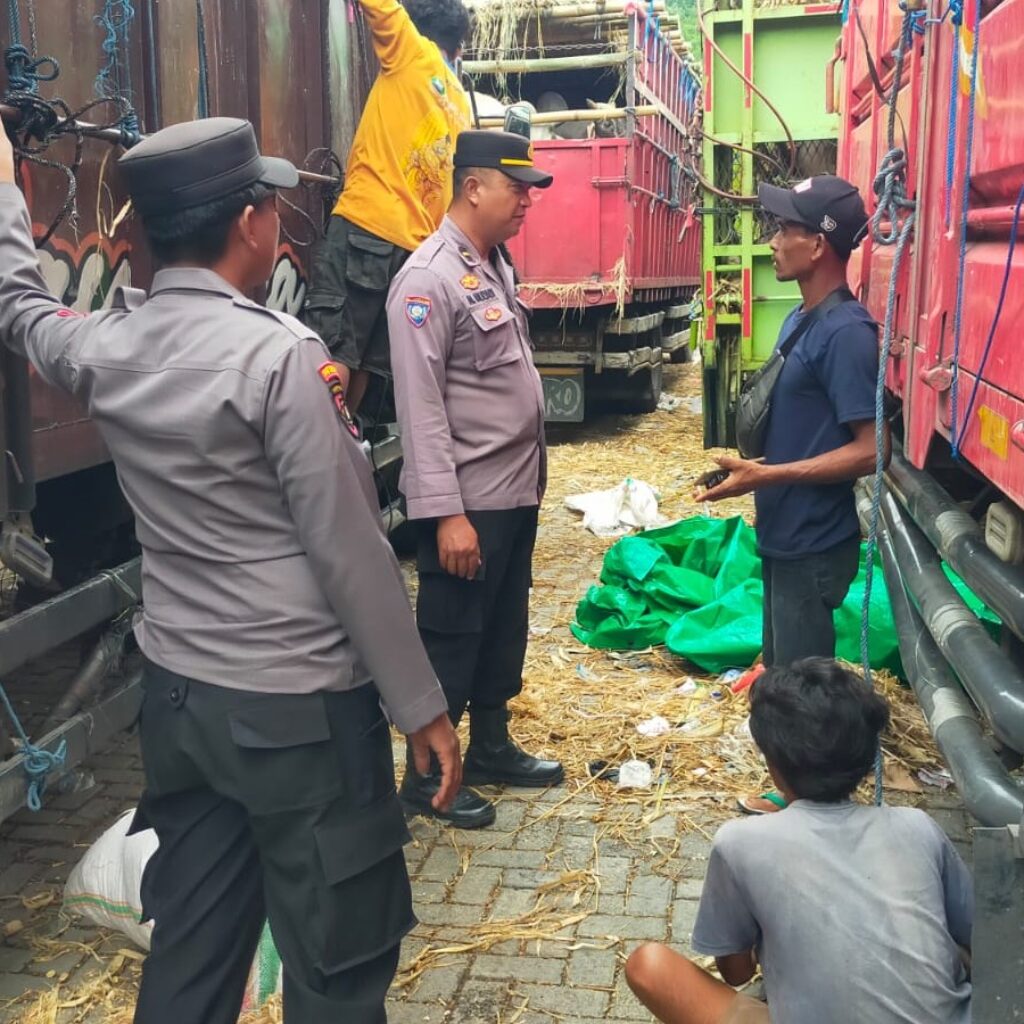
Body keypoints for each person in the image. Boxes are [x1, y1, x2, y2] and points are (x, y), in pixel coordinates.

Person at [0, 117, 461, 1024]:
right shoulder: (279, 358)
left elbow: (19, 305)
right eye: (271, 207)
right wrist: (424, 708)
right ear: (249, 224)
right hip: (298, 718)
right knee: (336, 959)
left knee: (195, 945)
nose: (280, 225)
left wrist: (8, 193)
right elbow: (351, 552)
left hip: (180, 704)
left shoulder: (104, 347)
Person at [625, 658, 974, 1024]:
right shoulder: (917, 826)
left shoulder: (741, 841)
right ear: (869, 756)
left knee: (648, 965)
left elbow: (737, 973)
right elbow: (980, 938)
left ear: (772, 764)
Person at [386, 130, 564, 829]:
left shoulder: (491, 266)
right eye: (516, 187)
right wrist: (445, 514)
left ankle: (490, 747)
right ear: (472, 187)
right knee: (452, 635)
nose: (527, 200)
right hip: (469, 502)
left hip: (514, 492)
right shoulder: (427, 280)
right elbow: (421, 409)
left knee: (500, 629)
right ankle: (426, 779)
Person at [697, 174, 885, 814]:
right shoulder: (802, 321)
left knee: (804, 685)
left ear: (820, 245)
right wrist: (747, 468)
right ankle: (795, 794)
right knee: (780, 675)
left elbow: (872, 448)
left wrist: (769, 477)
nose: (773, 241)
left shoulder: (848, 333)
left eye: (785, 230)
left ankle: (815, 809)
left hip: (813, 541)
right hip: (784, 533)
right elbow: (806, 435)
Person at [303, 0, 471, 419]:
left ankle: (319, 458)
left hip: (367, 226)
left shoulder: (411, 51)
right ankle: (346, 454)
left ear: (418, 27)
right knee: (361, 363)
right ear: (459, 49)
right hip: (413, 255)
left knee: (335, 350)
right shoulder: (461, 106)